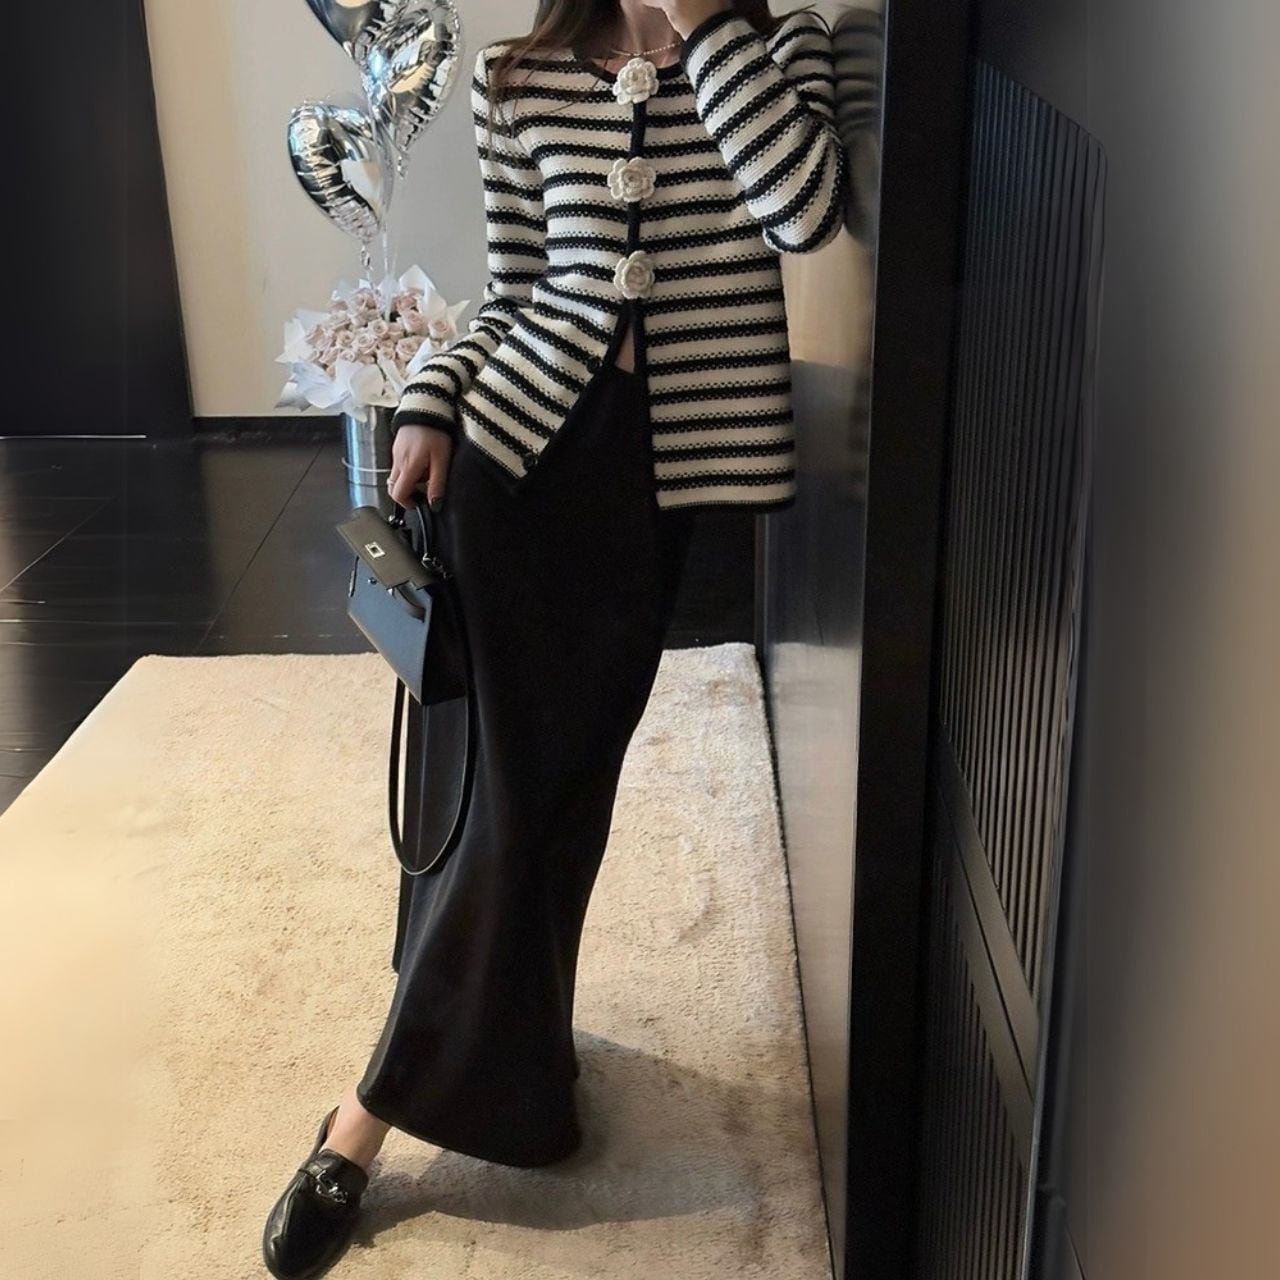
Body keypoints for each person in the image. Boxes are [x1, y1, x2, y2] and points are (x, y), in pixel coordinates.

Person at [262, 2, 847, 1274]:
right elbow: (516, 291)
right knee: (503, 794)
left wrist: (703, 25)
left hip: (659, 478)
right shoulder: (513, 80)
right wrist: (431, 396)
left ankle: (503, 1075)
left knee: (563, 788)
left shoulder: (775, 48)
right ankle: (370, 1113)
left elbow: (801, 211)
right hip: (512, 462)